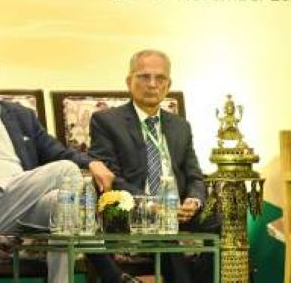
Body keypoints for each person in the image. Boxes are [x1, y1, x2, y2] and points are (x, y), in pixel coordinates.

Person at [0, 36, 139, 283]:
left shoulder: (21, 116)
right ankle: (110, 273)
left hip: (27, 203)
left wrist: (91, 163)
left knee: (63, 205)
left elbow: (57, 151)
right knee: (66, 171)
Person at [89, 49, 219, 283]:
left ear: (168, 85)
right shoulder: (106, 121)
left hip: (179, 208)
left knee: (223, 222)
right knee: (162, 229)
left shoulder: (180, 126)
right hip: (134, 208)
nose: (152, 84)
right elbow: (111, 177)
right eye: (144, 77)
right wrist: (154, 204)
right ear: (129, 82)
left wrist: (194, 200)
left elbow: (194, 175)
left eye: (160, 78)